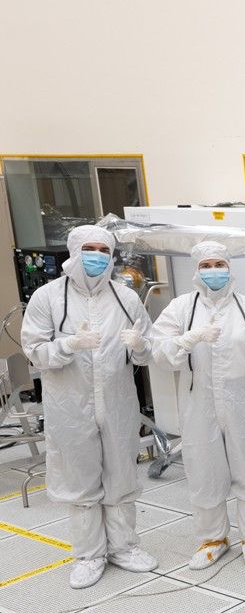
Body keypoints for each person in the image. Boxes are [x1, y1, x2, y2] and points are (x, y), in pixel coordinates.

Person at [21, 226, 159, 589]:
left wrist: (141, 345)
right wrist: (69, 345)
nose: (97, 255)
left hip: (116, 402)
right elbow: (34, 352)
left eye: (103, 249)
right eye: (89, 248)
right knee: (80, 479)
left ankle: (124, 547)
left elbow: (145, 351)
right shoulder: (47, 297)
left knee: (120, 474)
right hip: (70, 404)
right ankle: (89, 555)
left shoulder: (126, 298)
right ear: (74, 251)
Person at [151, 241, 245, 572]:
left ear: (229, 267)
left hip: (244, 401)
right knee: (204, 469)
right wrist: (188, 339)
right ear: (197, 271)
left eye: (219, 264)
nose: (213, 270)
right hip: (198, 402)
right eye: (206, 265)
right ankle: (213, 539)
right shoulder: (182, 308)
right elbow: (158, 351)